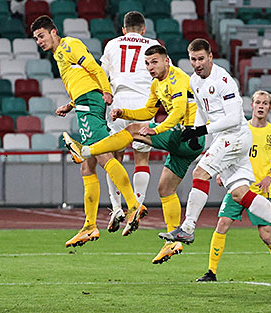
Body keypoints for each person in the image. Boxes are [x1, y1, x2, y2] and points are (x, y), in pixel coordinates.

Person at [63, 45, 205, 264]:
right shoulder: (156, 84)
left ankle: (85, 150)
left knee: (132, 132)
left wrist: (155, 129)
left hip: (188, 135)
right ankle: (173, 240)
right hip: (187, 145)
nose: (150, 67)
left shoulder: (176, 78)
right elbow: (148, 112)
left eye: (154, 62)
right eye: (147, 64)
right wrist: (125, 113)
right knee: (165, 188)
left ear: (166, 61)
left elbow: (177, 112)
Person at [158, 38, 271, 249]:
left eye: (201, 59)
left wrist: (201, 130)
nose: (197, 64)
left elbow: (234, 118)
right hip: (225, 139)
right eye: (193, 60)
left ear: (210, 57)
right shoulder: (194, 81)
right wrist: (194, 130)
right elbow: (199, 107)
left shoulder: (223, 80)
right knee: (240, 193)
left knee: (199, 173)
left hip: (234, 136)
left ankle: (187, 228)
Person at [31, 15, 146, 247]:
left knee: (102, 155)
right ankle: (89, 225)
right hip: (84, 101)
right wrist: (70, 104)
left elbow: (93, 67)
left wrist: (106, 91)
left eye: (41, 36)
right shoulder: (59, 54)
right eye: (36, 38)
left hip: (91, 101)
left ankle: (133, 205)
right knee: (88, 165)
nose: (39, 41)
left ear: (54, 32)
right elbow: (82, 79)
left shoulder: (70, 45)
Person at [196, 90, 271, 282]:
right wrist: (222, 173)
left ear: (270, 108)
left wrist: (269, 178)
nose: (261, 106)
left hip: (258, 191)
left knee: (266, 235)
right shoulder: (239, 129)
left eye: (265, 103)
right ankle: (211, 272)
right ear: (252, 106)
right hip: (237, 187)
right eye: (258, 102)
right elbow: (224, 152)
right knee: (222, 224)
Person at [100, 11, 161, 233]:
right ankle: (135, 205)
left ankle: (116, 207)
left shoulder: (112, 44)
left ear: (123, 30)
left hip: (119, 102)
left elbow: (101, 74)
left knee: (114, 157)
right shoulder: (153, 44)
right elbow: (164, 74)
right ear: (144, 29)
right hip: (144, 104)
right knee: (141, 157)